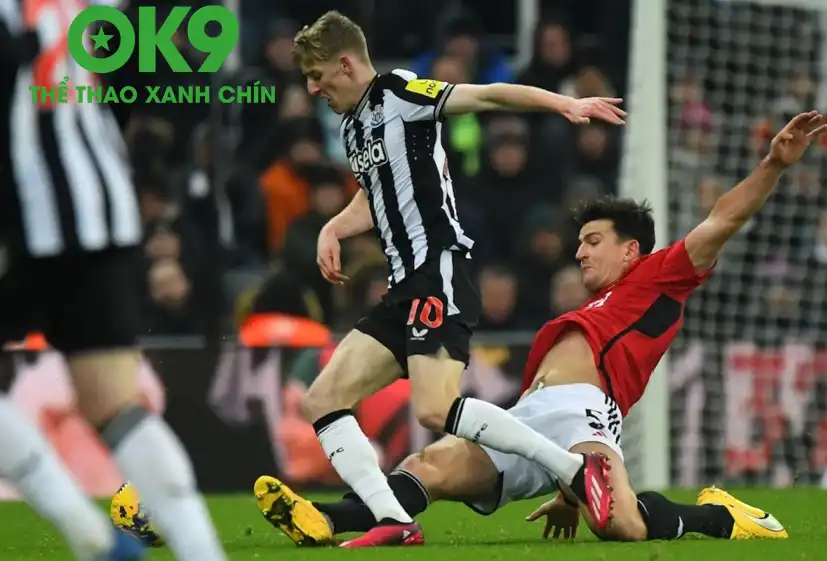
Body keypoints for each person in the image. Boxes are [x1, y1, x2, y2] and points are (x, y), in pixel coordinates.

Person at [254, 111, 827, 545]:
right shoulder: (584, 311)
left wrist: (773, 164)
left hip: (584, 414)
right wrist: (565, 491)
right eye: (579, 243)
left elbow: (722, 220)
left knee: (621, 526)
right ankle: (325, 518)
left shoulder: (659, 277)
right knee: (427, 468)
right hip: (526, 419)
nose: (579, 253)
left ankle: (719, 516)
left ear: (632, 250)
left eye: (593, 241)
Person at [251, 10, 628, 548]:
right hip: (402, 286)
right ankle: (394, 520)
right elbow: (376, 194)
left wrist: (563, 103)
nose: (312, 89)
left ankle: (572, 470)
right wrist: (333, 226)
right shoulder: (353, 125)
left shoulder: (401, 93)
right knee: (321, 400)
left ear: (346, 63)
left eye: (317, 75)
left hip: (437, 270)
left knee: (434, 408)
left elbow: (489, 95)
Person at [0, 2, 227, 560]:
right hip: (102, 209)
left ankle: (94, 539)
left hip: (23, 214)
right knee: (114, 403)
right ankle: (202, 552)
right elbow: (162, 65)